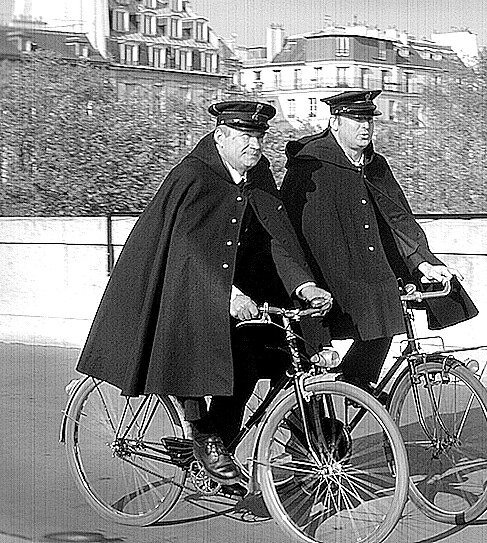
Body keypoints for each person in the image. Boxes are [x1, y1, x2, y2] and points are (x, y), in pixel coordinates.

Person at [77, 100, 332, 494]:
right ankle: (202, 434)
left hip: (231, 285)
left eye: (259, 137)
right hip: (179, 290)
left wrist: (303, 285)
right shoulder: (193, 176)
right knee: (183, 351)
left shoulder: (256, 173)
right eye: (246, 137)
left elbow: (274, 235)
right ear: (221, 136)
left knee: (252, 358)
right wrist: (225, 294)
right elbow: (186, 251)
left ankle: (219, 448)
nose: (255, 146)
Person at [280, 89, 478, 393]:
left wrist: (423, 263)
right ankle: (312, 417)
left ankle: (356, 387)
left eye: (369, 120)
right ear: (335, 122)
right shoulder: (310, 163)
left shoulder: (375, 164)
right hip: (322, 276)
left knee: (386, 314)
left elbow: (397, 219)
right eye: (356, 120)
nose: (365, 127)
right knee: (307, 365)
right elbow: (287, 230)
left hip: (367, 273)